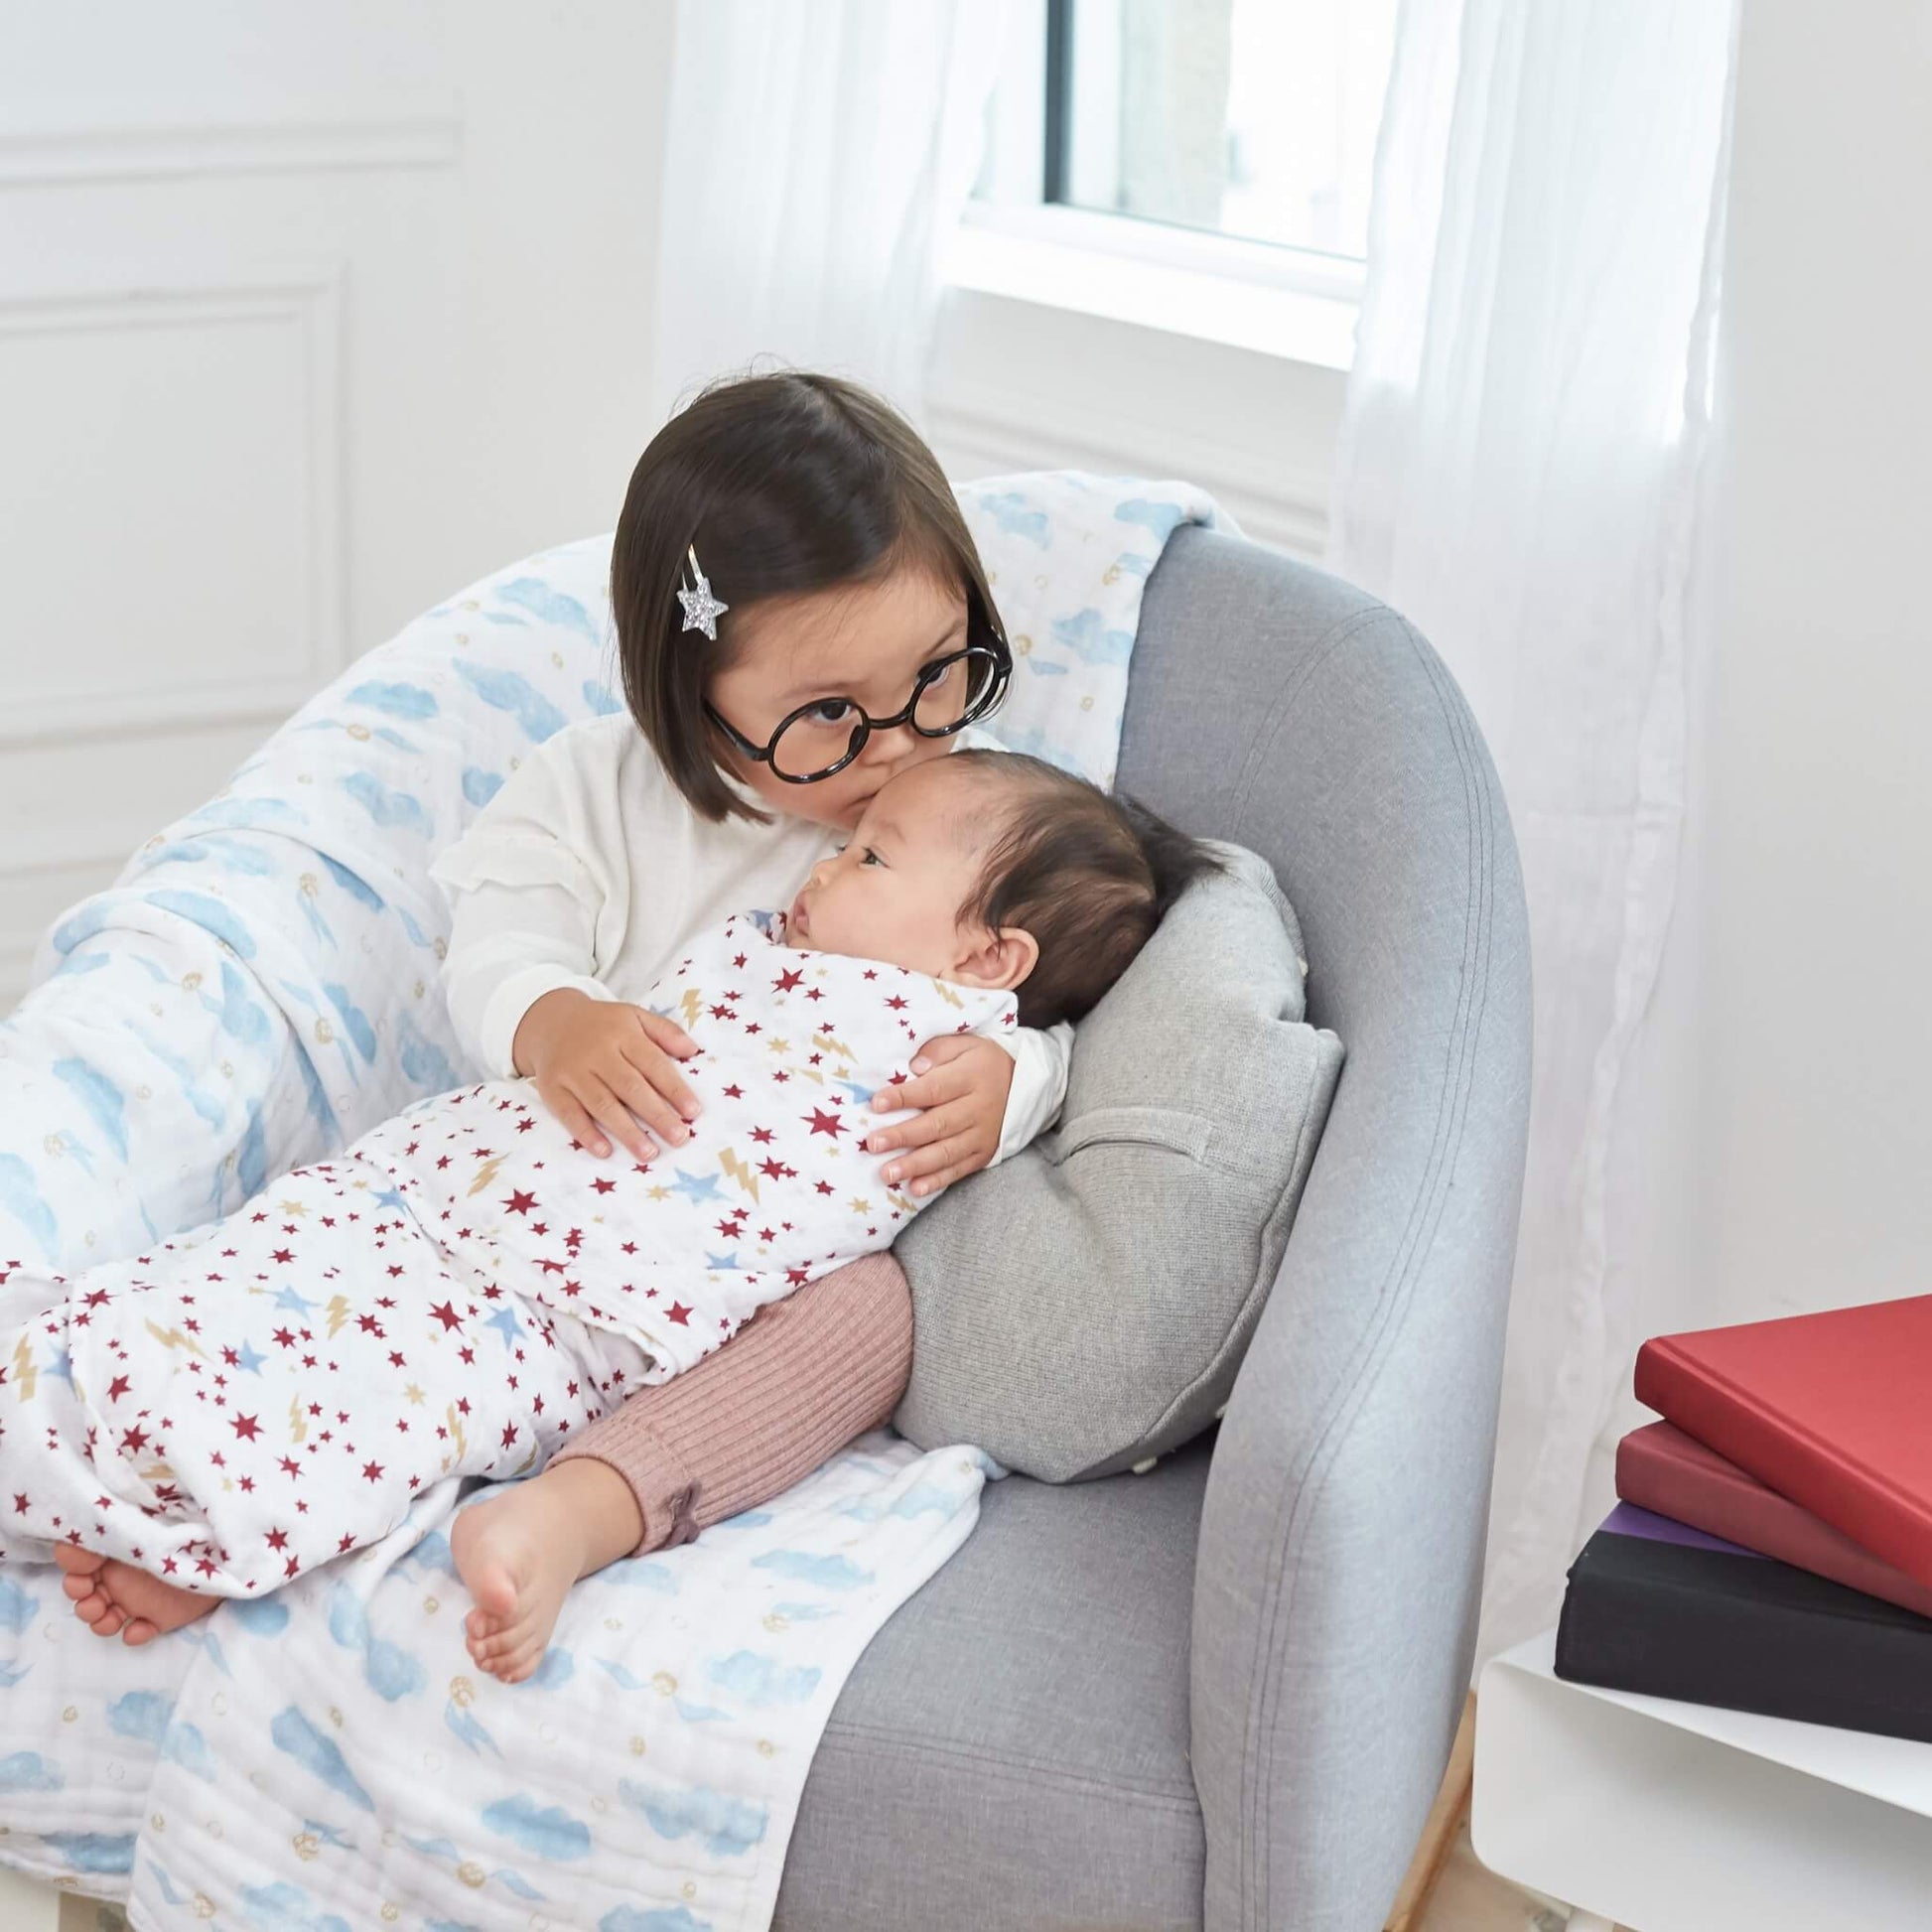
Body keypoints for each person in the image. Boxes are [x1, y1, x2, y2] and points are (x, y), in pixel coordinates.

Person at [43, 369, 1173, 1659]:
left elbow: (1046, 998)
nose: (895, 751)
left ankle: (478, 1511)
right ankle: (168, 1455)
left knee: (864, 1312)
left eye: (935, 675)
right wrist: (554, 1018)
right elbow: (498, 939)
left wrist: (1009, 1088)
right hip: (533, 1201)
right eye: (825, 720)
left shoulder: (977, 812)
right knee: (329, 1285)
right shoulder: (598, 792)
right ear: (691, 696)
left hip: (702, 1298)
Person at [28, 749, 1211, 1669]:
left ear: (992, 956)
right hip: (441, 1186)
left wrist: (1021, 1085)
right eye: (845, 843)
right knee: (218, 1284)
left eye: (868, 859)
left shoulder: (966, 1051)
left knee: (375, 1411)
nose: (820, 867)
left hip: (564, 1308)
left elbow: (1054, 1059)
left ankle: (200, 1530)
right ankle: (110, 1421)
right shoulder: (770, 944)